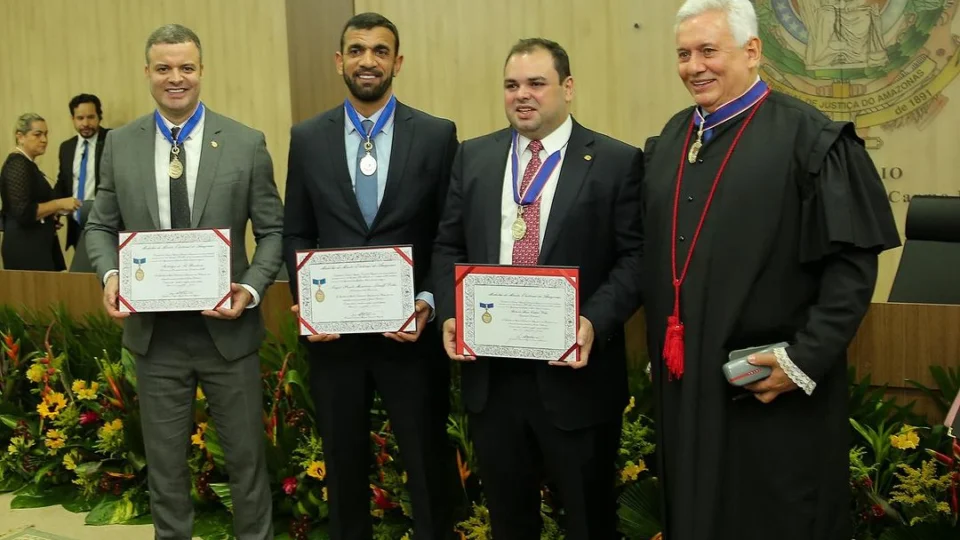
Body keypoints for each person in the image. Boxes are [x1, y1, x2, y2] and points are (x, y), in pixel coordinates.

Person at [641, 1, 900, 539]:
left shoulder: (810, 138)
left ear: (753, 52)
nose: (695, 66)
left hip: (770, 392)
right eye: (684, 54)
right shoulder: (671, 139)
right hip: (689, 391)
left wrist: (802, 359)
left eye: (710, 51)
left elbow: (850, 271)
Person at [432, 38, 644, 539]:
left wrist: (593, 321)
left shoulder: (615, 161)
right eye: (511, 85)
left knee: (589, 521)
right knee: (509, 522)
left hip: (576, 382)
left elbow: (636, 260)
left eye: (536, 84)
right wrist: (449, 312)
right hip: (494, 381)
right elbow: (447, 246)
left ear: (567, 89)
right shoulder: (475, 157)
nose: (522, 95)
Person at [84, 24, 283, 540]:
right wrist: (110, 274)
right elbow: (102, 225)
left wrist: (252, 287)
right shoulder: (121, 145)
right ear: (147, 73)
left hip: (229, 335)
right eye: (164, 68)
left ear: (202, 70)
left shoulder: (244, 142)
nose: (177, 78)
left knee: (246, 466)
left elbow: (275, 231)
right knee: (166, 473)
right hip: (155, 338)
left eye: (186, 68)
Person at [282, 12, 460, 539]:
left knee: (426, 459)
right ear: (339, 60)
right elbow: (296, 233)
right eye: (356, 50)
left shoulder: (435, 135)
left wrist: (429, 299)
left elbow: (449, 235)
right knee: (342, 461)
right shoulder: (307, 137)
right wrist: (307, 302)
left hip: (411, 335)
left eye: (380, 51)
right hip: (335, 340)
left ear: (397, 62)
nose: (368, 61)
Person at [0, 113, 79, 271]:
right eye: (37, 134)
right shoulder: (18, 165)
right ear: (20, 137)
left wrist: (49, 216)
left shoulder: (27, 164)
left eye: (46, 134)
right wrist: (58, 204)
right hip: (25, 248)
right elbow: (24, 212)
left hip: (36, 244)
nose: (44, 139)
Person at [55, 93, 111, 272]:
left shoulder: (112, 140)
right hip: (77, 225)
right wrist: (54, 209)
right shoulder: (67, 147)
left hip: (104, 224)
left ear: (99, 116)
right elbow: (63, 183)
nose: (85, 123)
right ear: (72, 119)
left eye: (90, 117)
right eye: (80, 118)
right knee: (80, 281)